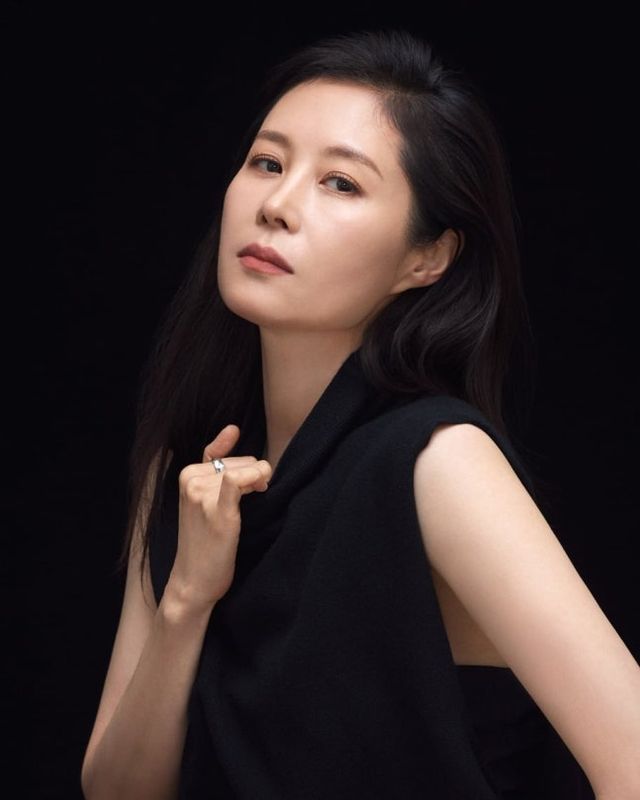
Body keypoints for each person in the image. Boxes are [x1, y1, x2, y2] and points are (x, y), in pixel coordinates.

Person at [80, 29, 640, 799]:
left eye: (340, 183)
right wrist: (187, 599)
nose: (277, 206)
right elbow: (119, 790)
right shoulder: (187, 471)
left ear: (427, 258)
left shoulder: (437, 461)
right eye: (267, 163)